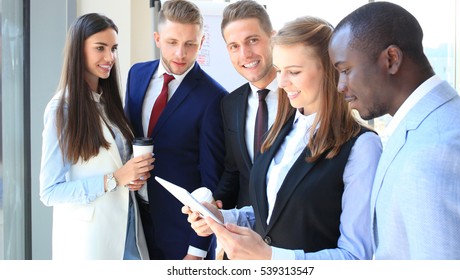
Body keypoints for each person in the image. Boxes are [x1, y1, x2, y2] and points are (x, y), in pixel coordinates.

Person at [184, 16, 382, 260]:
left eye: (294, 72)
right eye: (279, 71)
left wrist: (271, 258)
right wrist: (221, 217)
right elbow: (271, 213)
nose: (282, 82)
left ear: (330, 71)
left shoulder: (362, 147)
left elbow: (356, 257)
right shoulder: (281, 128)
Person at [328, 2, 460, 259]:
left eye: (345, 71)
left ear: (391, 59)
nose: (340, 86)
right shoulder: (437, 122)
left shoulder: (435, 153)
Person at [39, 13, 154, 260]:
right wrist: (114, 179)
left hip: (129, 227)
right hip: (92, 238)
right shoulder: (63, 108)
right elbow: (49, 191)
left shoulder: (108, 103)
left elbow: (114, 166)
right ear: (79, 50)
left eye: (113, 48)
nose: (109, 57)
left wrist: (130, 177)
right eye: (100, 48)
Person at [124, 0, 227, 260]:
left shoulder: (214, 97)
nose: (180, 53)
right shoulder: (136, 75)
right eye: (172, 42)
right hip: (132, 224)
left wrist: (197, 251)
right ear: (157, 39)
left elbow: (211, 179)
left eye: (190, 44)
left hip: (183, 233)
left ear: (201, 43)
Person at [214, 0, 278, 210]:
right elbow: (235, 170)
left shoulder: (301, 97)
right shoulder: (230, 104)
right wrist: (215, 203)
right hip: (248, 229)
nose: (245, 54)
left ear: (272, 38)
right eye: (234, 46)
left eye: (252, 40)